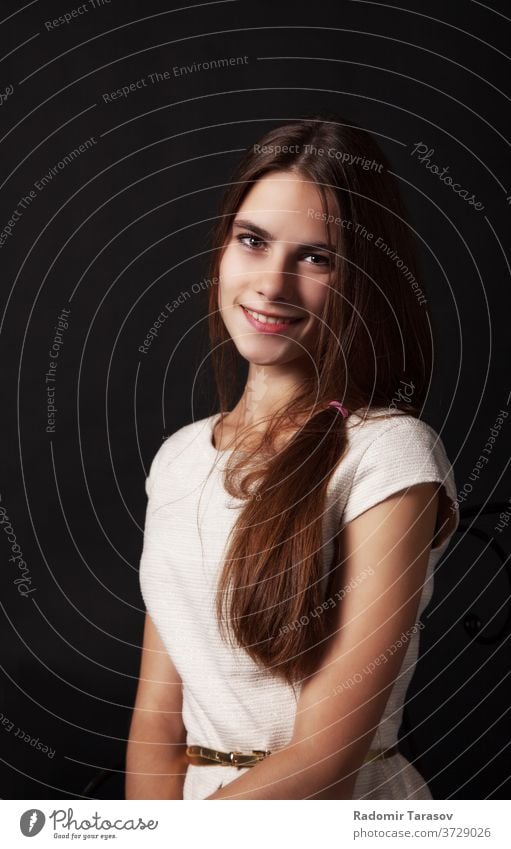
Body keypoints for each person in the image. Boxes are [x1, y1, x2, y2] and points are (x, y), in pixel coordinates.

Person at [125, 115, 460, 800]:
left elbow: (325, 753)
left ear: (359, 279)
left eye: (316, 256)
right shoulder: (178, 460)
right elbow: (157, 723)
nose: (271, 283)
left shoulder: (390, 454)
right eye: (252, 241)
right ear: (222, 248)